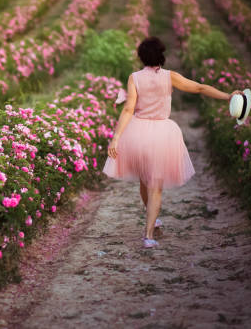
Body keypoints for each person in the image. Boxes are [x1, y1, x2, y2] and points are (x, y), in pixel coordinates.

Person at [102, 36, 242, 249]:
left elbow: (129, 108)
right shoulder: (170, 77)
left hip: (137, 133)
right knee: (155, 186)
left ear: (141, 57)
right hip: (162, 134)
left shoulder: (135, 78)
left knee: (144, 181)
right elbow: (200, 88)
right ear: (162, 55)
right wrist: (228, 96)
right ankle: (148, 235)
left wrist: (116, 138)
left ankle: (153, 219)